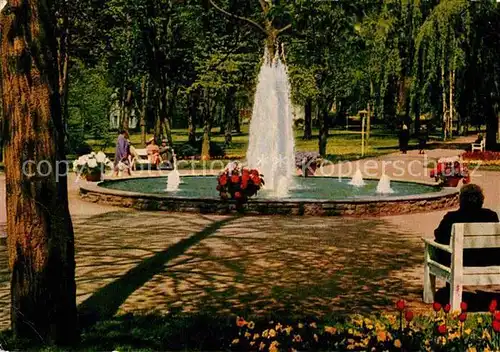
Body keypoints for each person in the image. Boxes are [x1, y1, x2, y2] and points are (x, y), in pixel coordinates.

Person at [434, 184, 499, 267]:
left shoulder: (452, 217)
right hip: (488, 262)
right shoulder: (491, 216)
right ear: (481, 199)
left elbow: (439, 236)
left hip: (460, 263)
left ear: (461, 200)